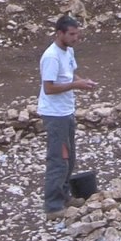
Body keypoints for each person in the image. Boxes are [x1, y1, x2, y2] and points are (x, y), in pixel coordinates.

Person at [37, 15, 97, 219]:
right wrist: (75, 85)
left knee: (69, 158)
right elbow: (49, 87)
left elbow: (70, 74)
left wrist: (82, 82)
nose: (75, 38)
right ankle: (53, 206)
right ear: (59, 33)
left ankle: (64, 195)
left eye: (77, 34)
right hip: (55, 115)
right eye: (71, 34)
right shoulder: (51, 57)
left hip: (66, 110)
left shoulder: (68, 51)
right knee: (58, 159)